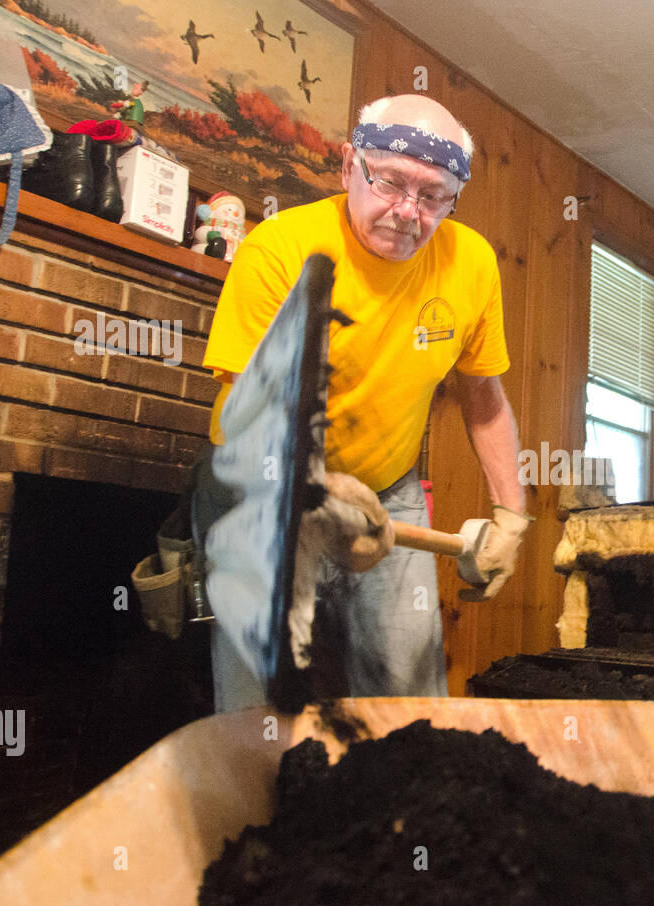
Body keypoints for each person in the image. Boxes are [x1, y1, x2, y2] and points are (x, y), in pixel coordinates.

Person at [202, 93, 529, 711]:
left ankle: (406, 805)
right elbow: (248, 412)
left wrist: (511, 514)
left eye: (433, 196)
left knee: (407, 688)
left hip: (389, 490)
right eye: (390, 183)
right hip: (264, 492)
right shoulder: (279, 249)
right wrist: (320, 491)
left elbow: (482, 394)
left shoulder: (472, 263)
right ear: (349, 165)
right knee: (259, 699)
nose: (408, 213)